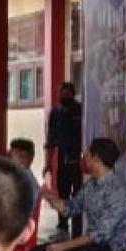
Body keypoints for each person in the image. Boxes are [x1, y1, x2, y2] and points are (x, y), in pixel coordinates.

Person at [29, 138, 126, 251]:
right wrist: (49, 196)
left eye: (87, 154)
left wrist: (64, 246)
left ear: (97, 159)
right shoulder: (91, 185)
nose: (83, 157)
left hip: (113, 248)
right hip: (94, 244)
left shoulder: (118, 190)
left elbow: (99, 235)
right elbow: (70, 208)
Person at [46, 82, 84, 237]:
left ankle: (77, 229)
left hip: (78, 160)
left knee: (79, 195)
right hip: (62, 159)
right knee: (63, 193)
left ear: (72, 95)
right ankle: (62, 227)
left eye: (67, 93)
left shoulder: (80, 110)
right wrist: (48, 163)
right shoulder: (55, 113)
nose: (63, 96)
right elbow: (51, 140)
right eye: (61, 93)